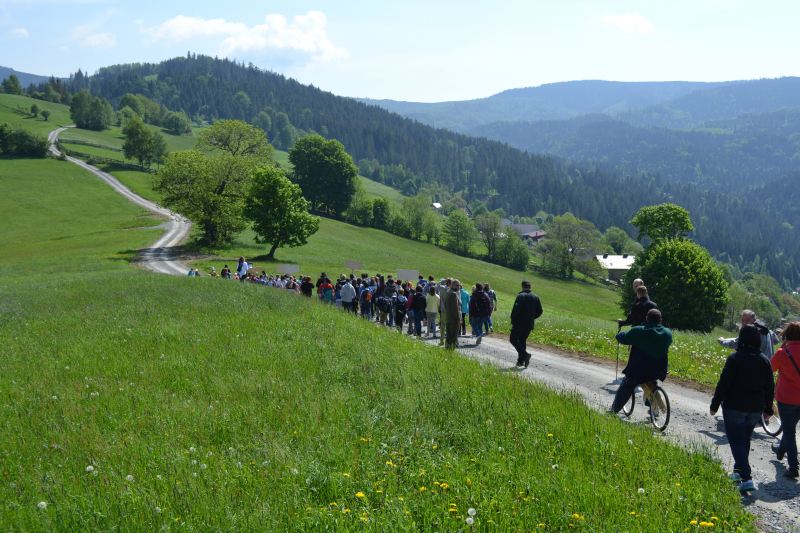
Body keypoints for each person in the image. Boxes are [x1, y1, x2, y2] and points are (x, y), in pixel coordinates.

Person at [710, 324, 775, 492]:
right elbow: (770, 387)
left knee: (736, 441)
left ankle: (746, 477)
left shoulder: (735, 358)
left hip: (734, 405)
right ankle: (738, 472)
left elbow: (723, 383)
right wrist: (768, 408)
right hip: (755, 408)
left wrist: (715, 404)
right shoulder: (764, 360)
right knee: (744, 440)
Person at [611, 309, 672, 413]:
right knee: (651, 382)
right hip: (658, 370)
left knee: (626, 387)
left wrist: (618, 335)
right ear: (660, 320)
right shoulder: (667, 333)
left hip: (638, 370)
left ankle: (614, 411)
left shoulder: (638, 330)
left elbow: (624, 338)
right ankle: (654, 408)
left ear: (647, 318)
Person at [771, 321, 800, 479]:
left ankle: (794, 467)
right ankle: (781, 450)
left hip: (787, 398)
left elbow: (770, 368)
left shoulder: (783, 352)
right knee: (790, 428)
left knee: (789, 431)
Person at [510, 280, 543, 367]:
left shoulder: (521, 296)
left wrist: (513, 320)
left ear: (522, 286)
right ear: (530, 287)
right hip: (529, 324)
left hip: (519, 323)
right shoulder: (536, 297)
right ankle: (521, 361)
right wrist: (532, 318)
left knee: (513, 339)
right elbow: (540, 311)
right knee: (522, 340)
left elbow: (515, 310)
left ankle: (525, 355)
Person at [443, 279, 462, 349]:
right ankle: (451, 351)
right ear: (453, 285)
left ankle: (447, 348)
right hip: (454, 320)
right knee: (453, 337)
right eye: (457, 285)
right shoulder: (454, 294)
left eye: (459, 285)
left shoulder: (448, 292)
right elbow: (455, 309)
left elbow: (445, 304)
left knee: (449, 335)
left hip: (448, 317)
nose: (459, 287)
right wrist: (458, 319)